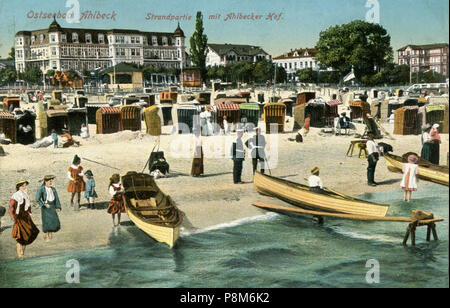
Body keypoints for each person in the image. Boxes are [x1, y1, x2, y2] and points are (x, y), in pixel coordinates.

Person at [9, 180, 39, 258]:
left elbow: (28, 206)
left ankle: (22, 253)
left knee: (27, 235)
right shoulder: (15, 196)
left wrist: (29, 212)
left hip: (26, 217)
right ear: (19, 187)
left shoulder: (25, 195)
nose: (24, 187)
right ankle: (19, 255)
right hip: (19, 218)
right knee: (19, 237)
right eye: (22, 186)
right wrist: (14, 217)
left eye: (25, 186)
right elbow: (11, 208)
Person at [36, 175, 61, 242]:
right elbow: (37, 199)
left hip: (52, 206)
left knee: (53, 221)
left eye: (52, 181)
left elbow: (56, 198)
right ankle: (45, 235)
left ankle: (50, 237)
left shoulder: (53, 189)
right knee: (46, 221)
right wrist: (44, 204)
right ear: (45, 181)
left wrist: (58, 207)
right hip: (46, 207)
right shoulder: (41, 189)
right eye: (50, 181)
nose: (51, 182)